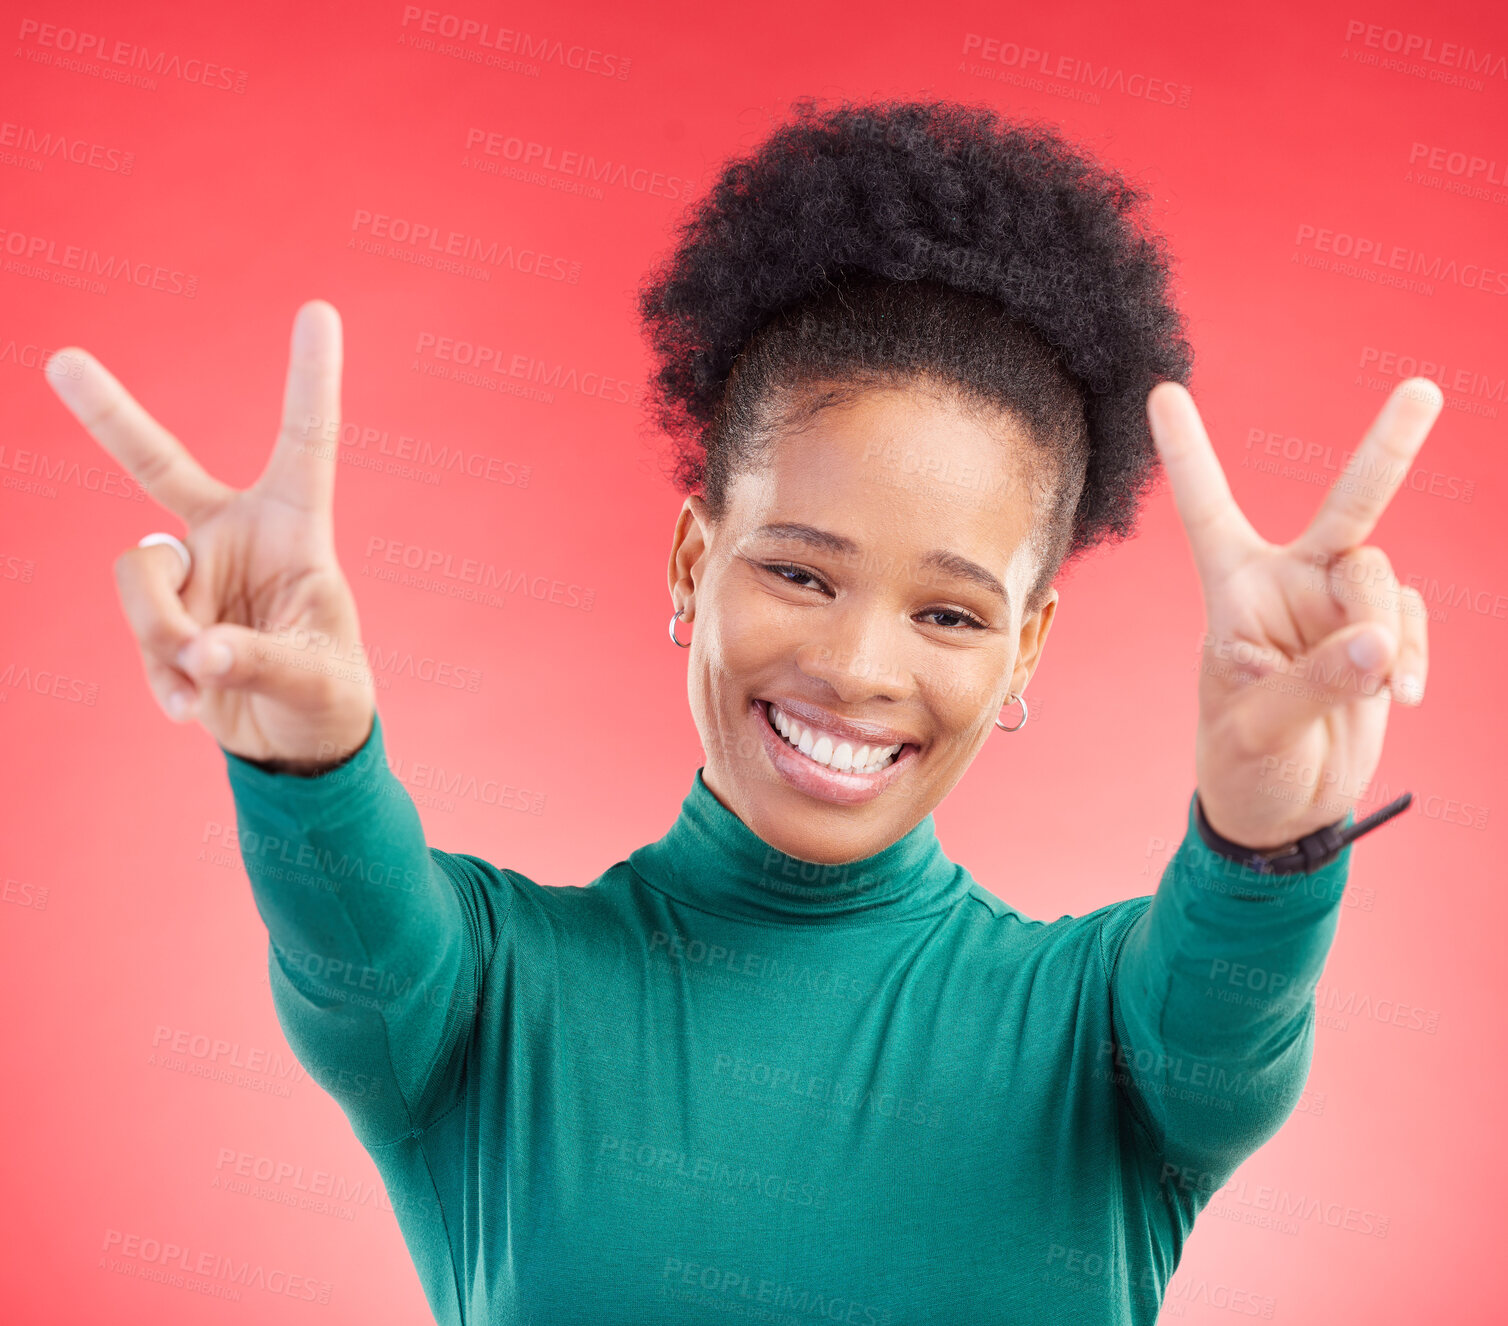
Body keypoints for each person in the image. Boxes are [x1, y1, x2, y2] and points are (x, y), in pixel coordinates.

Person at [46, 96, 1438, 1325]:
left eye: (949, 612)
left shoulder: (1111, 1040)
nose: (858, 664)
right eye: (798, 569)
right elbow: (346, 926)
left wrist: (1270, 829)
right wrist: (302, 750)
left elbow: (1231, 1006)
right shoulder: (476, 996)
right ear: (693, 559)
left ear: (1025, 653)